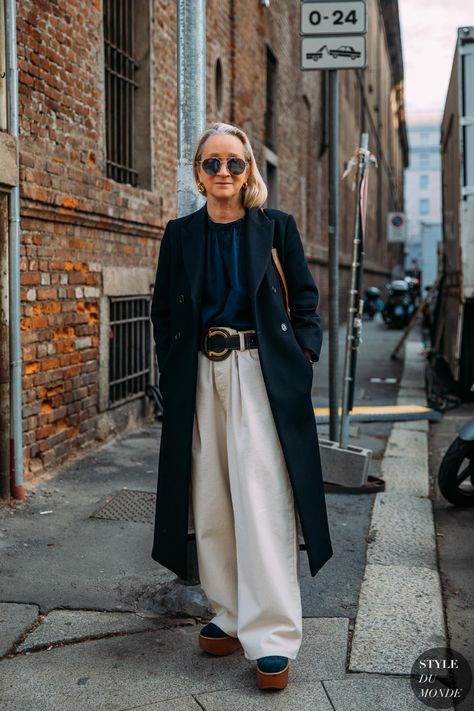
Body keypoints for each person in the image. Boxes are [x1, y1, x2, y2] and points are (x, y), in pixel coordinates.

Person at [150, 122, 333, 690]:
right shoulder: (180, 234)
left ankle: (273, 636)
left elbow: (305, 300)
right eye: (212, 164)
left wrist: (301, 360)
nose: (224, 172)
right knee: (210, 500)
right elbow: (162, 312)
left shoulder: (277, 229)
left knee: (262, 501)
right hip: (202, 375)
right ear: (198, 174)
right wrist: (174, 373)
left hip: (261, 375)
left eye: (235, 162)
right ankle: (229, 615)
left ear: (249, 170)